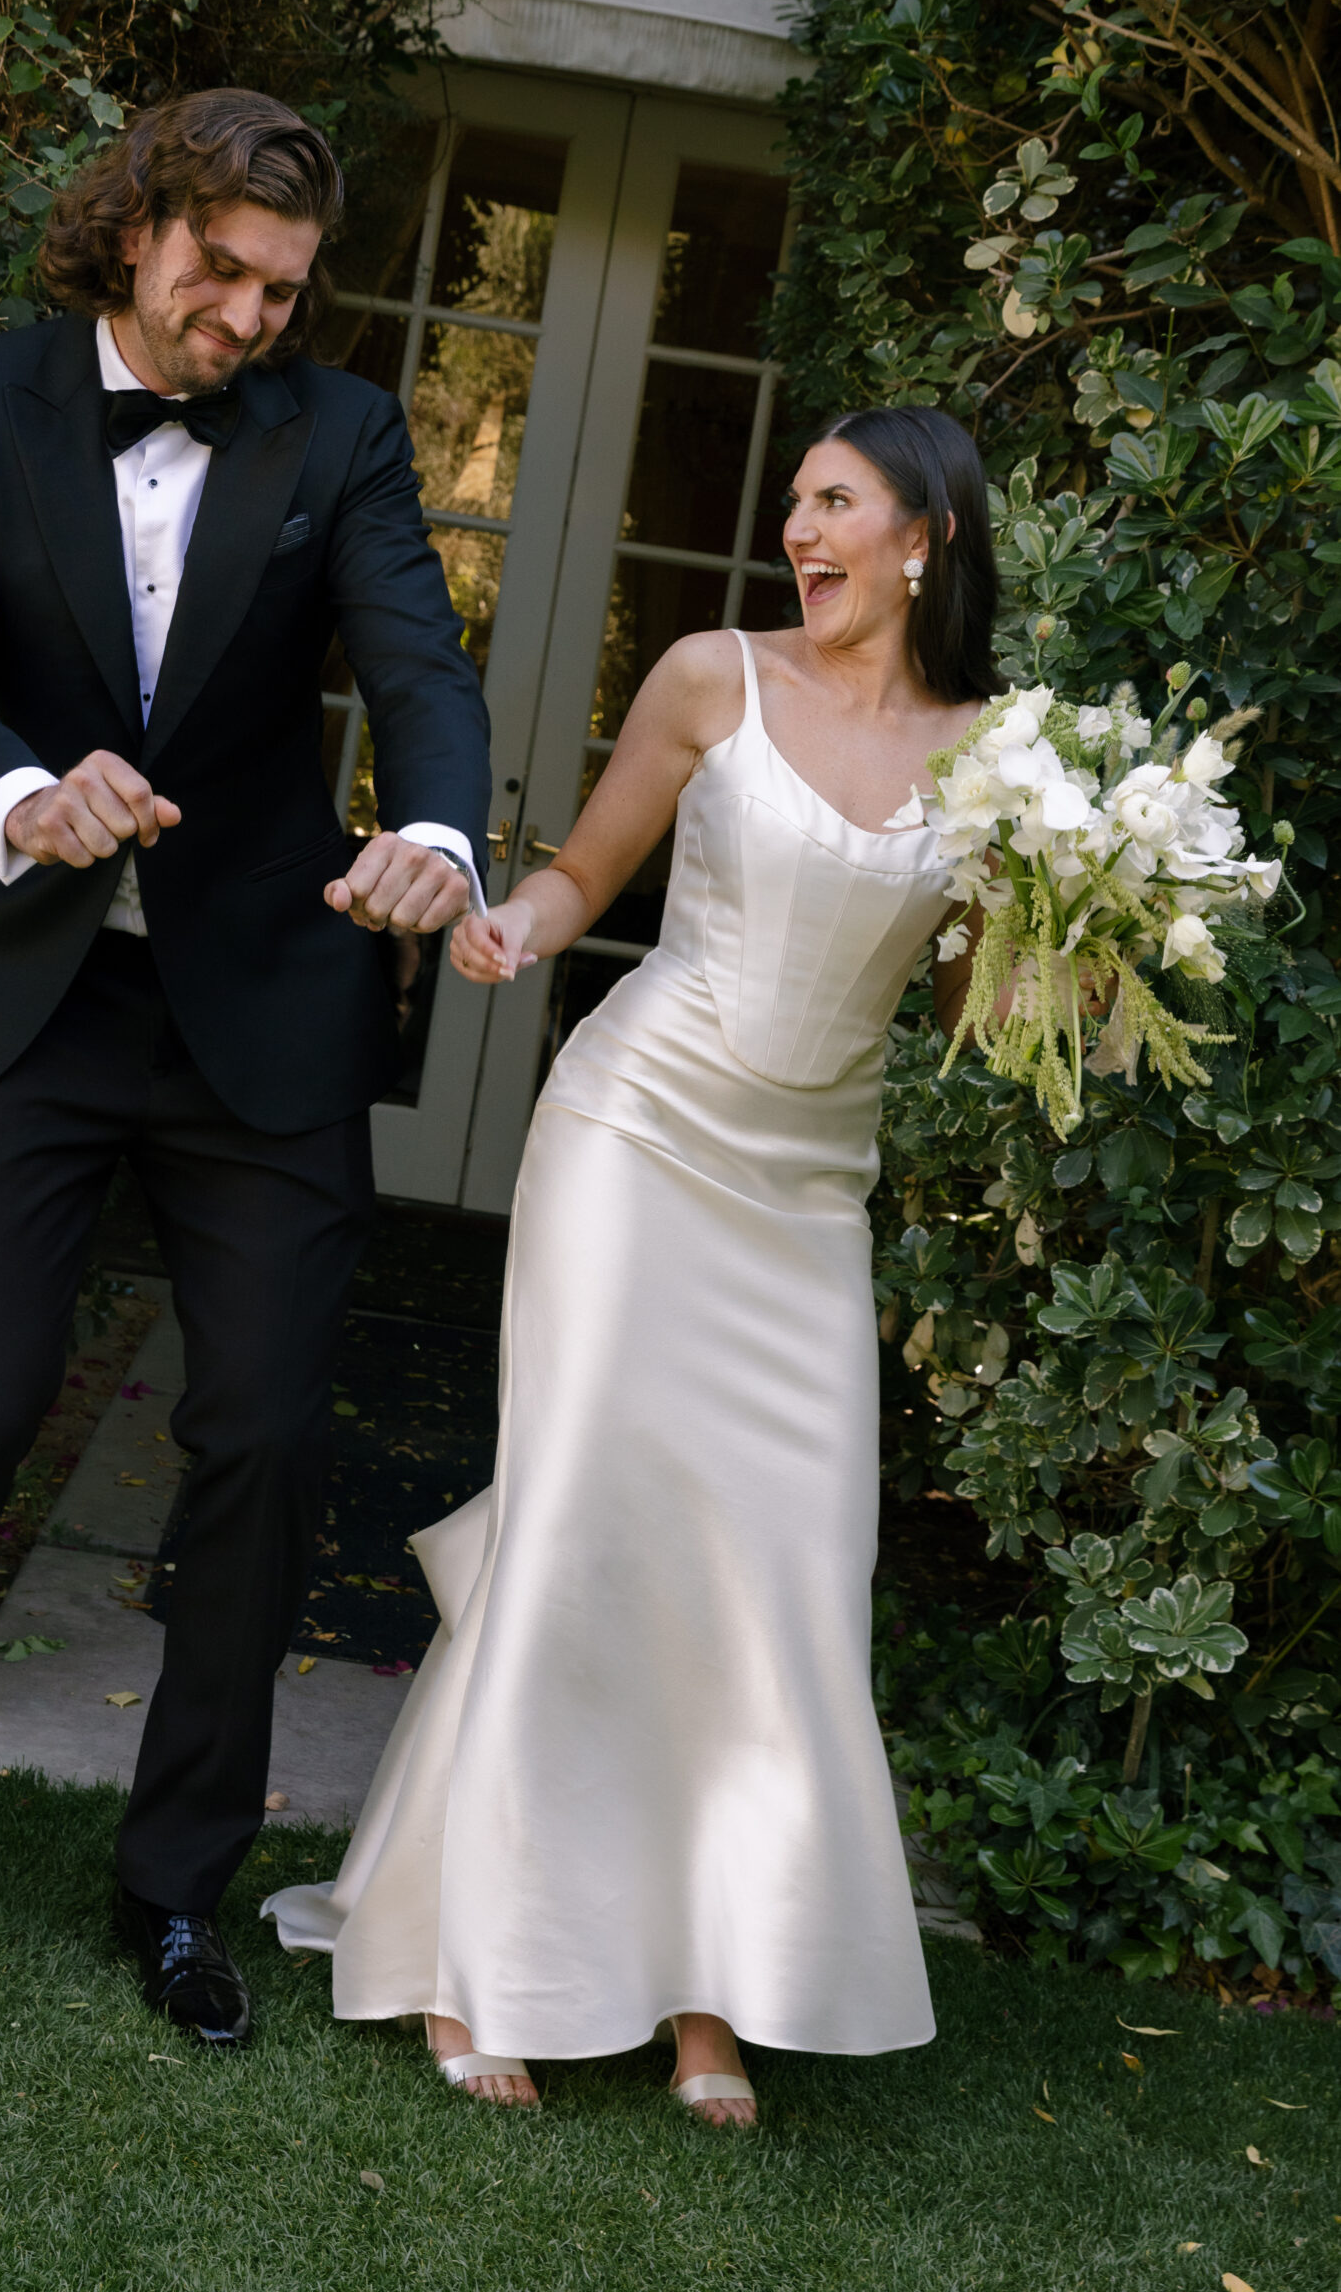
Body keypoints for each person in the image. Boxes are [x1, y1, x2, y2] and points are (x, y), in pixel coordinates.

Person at [0, 89, 493, 2044]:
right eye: (219, 271)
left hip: (263, 1001)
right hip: (35, 997)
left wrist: (440, 832)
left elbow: (415, 650)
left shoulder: (334, 434)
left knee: (256, 1440)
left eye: (282, 288)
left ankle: (176, 1893)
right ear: (137, 222)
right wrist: (16, 787)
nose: (249, 315)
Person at [265, 404, 1004, 2122]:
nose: (801, 534)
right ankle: (471, 1963)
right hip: (635, 1141)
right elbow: (590, 873)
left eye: (838, 505)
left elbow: (975, 1005)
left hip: (806, 1202)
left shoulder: (996, 761)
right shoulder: (707, 678)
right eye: (797, 507)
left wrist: (1085, 947)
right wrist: (517, 923)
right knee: (585, 1528)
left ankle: (708, 1998)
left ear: (926, 540)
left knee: (782, 1574)